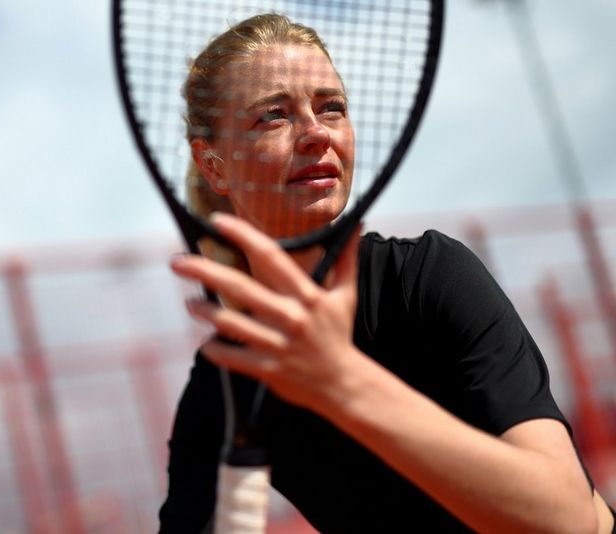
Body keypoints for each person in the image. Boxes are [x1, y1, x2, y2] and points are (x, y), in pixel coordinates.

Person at [160, 13, 615, 533]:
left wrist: (338, 380)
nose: (314, 133)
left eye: (332, 108)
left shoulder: (429, 275)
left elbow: (567, 520)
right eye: (274, 116)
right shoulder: (223, 381)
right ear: (213, 164)